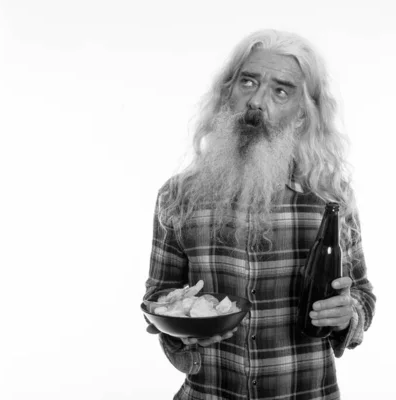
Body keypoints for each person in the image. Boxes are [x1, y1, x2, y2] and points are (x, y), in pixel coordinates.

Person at [143, 29, 376, 400]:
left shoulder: (329, 197)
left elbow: (361, 293)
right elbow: (159, 294)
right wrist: (179, 330)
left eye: (280, 91)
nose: (256, 101)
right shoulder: (177, 196)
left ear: (304, 111)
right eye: (248, 82)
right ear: (227, 91)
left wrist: (349, 315)